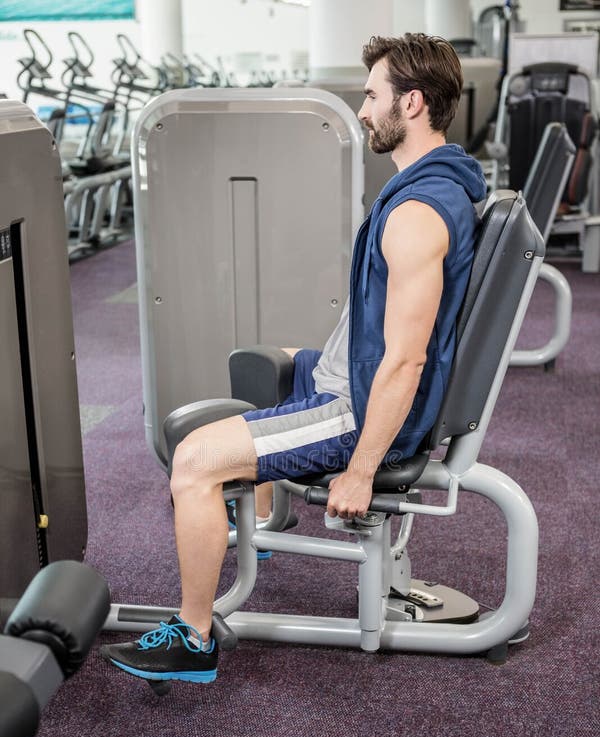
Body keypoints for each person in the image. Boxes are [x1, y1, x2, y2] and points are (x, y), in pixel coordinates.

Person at [101, 33, 487, 684]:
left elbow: (405, 362)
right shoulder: (436, 181)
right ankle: (252, 518)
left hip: (357, 406)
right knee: (260, 360)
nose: (363, 110)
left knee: (193, 460)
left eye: (372, 96)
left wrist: (362, 468)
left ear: (412, 103)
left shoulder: (418, 213)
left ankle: (193, 638)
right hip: (349, 375)